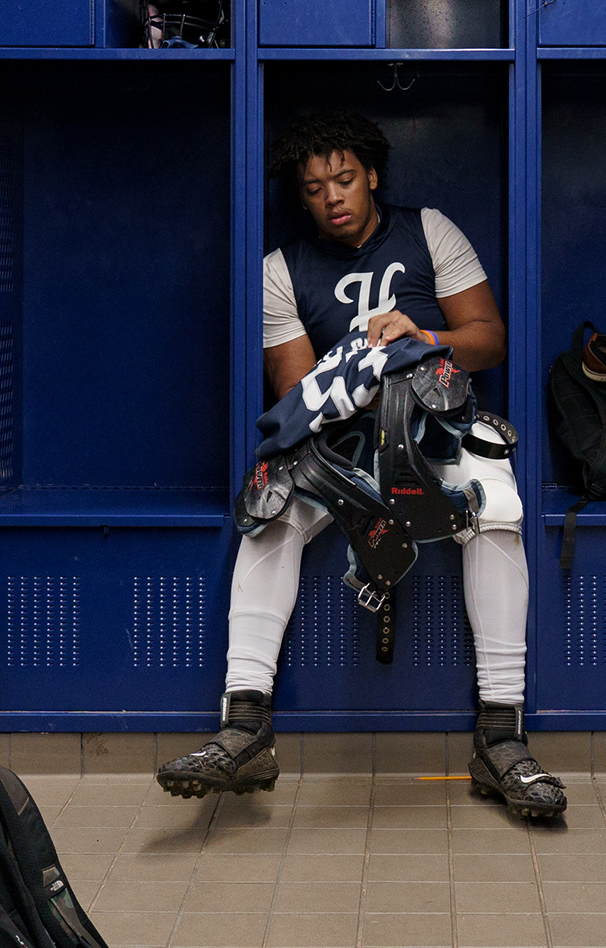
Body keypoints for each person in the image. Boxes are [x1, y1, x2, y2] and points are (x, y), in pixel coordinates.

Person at [154, 110, 566, 819]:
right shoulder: (279, 272)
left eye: (344, 179)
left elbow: (489, 339)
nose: (332, 197)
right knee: (271, 510)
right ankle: (246, 725)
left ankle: (502, 737)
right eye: (315, 188)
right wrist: (365, 363)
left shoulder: (429, 230)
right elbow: (297, 393)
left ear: (371, 175)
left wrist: (420, 337)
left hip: (440, 428)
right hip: (344, 445)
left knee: (498, 509)